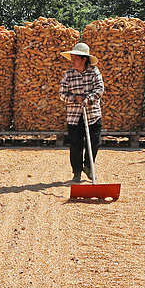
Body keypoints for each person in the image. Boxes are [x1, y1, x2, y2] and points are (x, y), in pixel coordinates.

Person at [59, 42, 104, 184]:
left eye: (75, 59)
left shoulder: (94, 72)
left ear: (84, 59)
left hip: (93, 114)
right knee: (75, 145)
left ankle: (88, 166)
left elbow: (99, 89)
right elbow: (62, 94)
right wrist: (74, 98)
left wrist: (88, 100)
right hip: (74, 115)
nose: (72, 61)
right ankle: (77, 172)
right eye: (71, 58)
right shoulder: (69, 75)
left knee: (95, 142)